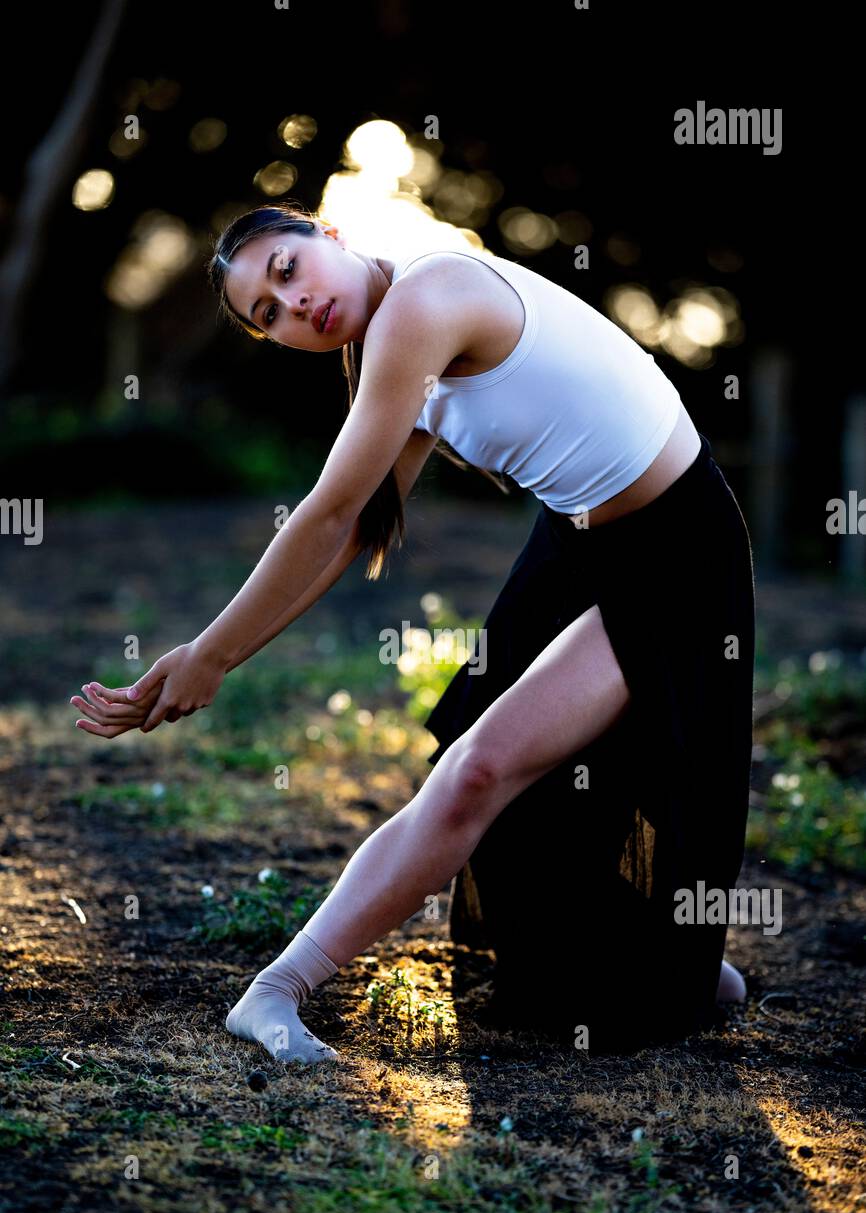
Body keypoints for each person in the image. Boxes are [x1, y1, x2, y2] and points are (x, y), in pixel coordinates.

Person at [71, 200, 755, 1063]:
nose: (293, 309)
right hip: (575, 540)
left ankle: (276, 990)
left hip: (673, 551)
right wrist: (220, 654)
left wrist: (212, 654)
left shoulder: (429, 298)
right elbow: (356, 527)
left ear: (329, 234)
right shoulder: (394, 347)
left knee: (483, 770)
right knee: (502, 778)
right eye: (267, 318)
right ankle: (678, 968)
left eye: (286, 272)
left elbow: (327, 512)